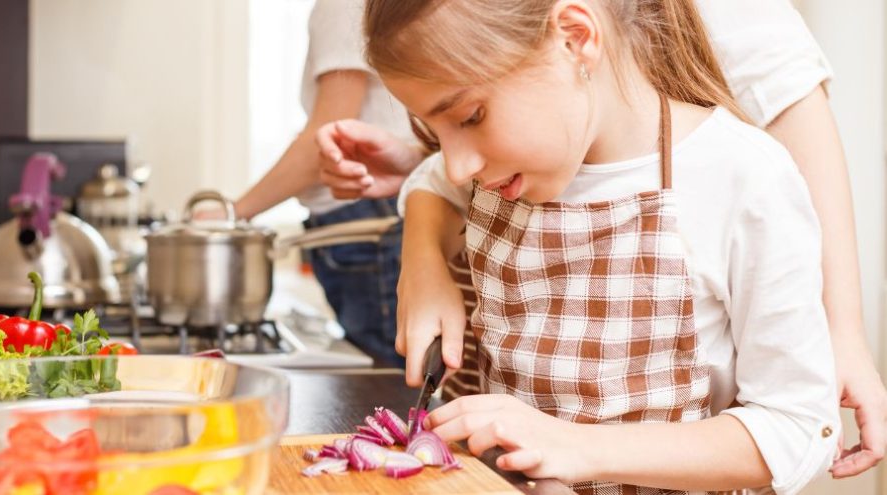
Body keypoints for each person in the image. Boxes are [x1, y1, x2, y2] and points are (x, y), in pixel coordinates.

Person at [316, 0, 887, 481]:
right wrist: (423, 263)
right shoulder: (510, 163)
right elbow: (433, 179)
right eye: (435, 130)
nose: (460, 163)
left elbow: (797, 428)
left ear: (574, 36)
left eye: (469, 116)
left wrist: (575, 448)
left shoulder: (741, 177)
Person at [224, 0, 417, 366]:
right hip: (367, 209)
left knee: (388, 380)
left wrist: (231, 213)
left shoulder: (342, 6)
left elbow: (327, 138)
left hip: (364, 211)